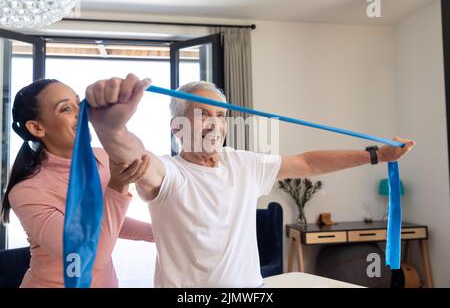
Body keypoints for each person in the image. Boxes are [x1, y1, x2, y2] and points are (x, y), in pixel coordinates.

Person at [86, 73, 415, 287]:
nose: (215, 123)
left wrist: (376, 156)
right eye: (203, 114)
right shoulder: (170, 173)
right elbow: (134, 156)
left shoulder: (242, 163)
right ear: (176, 127)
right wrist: (110, 129)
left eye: (221, 115)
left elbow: (308, 162)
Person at [0, 79, 154, 288]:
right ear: (37, 127)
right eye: (65, 108)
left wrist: (162, 234)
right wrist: (117, 187)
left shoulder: (101, 158)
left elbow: (105, 223)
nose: (80, 111)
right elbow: (87, 258)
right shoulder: (27, 192)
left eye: (78, 103)